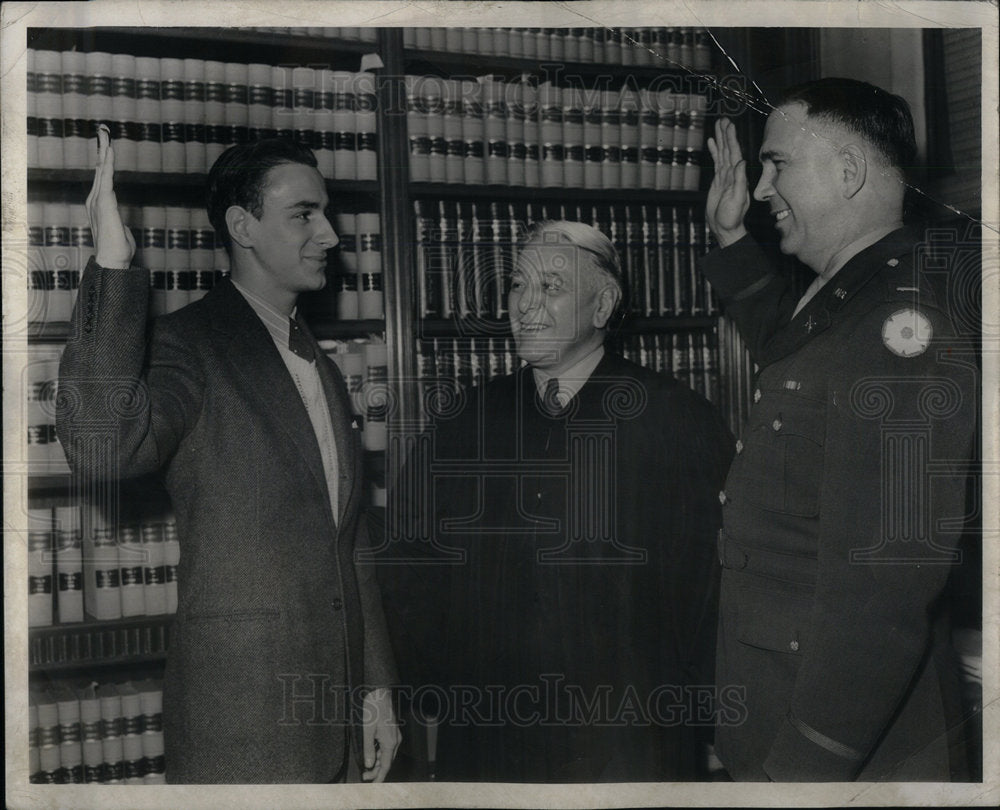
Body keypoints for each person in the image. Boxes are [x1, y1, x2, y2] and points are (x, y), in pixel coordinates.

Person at [56, 128, 400, 783]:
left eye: (325, 213)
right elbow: (102, 447)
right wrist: (112, 264)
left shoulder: (320, 364)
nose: (329, 235)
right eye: (304, 214)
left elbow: (349, 539)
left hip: (339, 727)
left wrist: (376, 685)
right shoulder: (191, 345)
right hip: (243, 728)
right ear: (243, 227)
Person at [702, 78, 977, 780]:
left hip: (844, 748)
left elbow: (883, 590)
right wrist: (731, 237)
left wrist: (805, 767)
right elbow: (795, 360)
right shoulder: (859, 291)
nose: (763, 189)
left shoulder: (903, 325)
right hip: (779, 707)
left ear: (848, 171)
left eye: (778, 165)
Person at [392, 220, 734, 781]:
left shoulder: (676, 420)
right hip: (490, 744)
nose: (526, 306)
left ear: (602, 306)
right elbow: (409, 564)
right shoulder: (465, 423)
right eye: (517, 286)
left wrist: (710, 722)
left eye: (550, 288)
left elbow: (711, 593)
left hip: (629, 742)